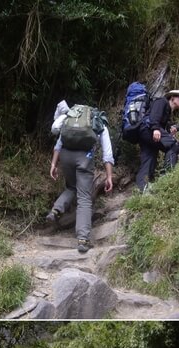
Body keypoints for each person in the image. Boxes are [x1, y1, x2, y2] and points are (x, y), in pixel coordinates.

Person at [47, 102, 114, 253]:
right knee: (84, 197)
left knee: (72, 186)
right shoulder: (98, 121)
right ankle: (83, 239)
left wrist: (53, 164)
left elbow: (59, 144)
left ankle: (56, 210)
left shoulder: (71, 118)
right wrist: (109, 176)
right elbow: (107, 154)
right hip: (84, 158)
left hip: (65, 156)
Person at [135, 89, 179, 191]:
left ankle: (142, 190)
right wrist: (155, 129)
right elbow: (154, 116)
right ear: (172, 98)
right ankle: (167, 178)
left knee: (149, 161)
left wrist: (169, 130)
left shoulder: (167, 111)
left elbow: (160, 123)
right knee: (174, 145)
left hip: (145, 133)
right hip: (149, 130)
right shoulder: (162, 102)